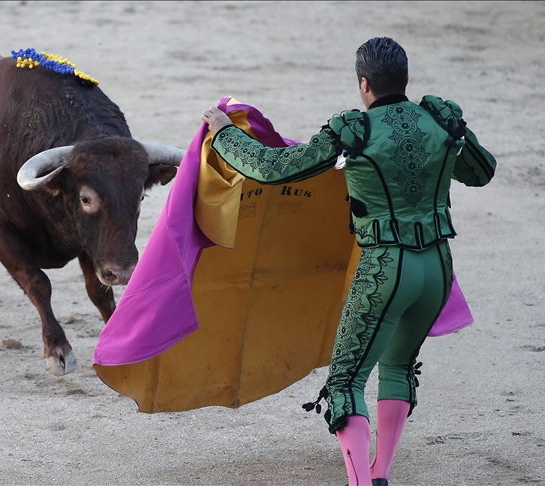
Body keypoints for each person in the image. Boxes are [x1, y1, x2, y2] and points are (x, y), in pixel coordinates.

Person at [201, 37, 495, 486]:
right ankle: (380, 474)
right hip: (436, 267)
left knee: (345, 383)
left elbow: (270, 168)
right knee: (398, 367)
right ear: (404, 78)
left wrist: (223, 132)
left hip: (384, 271)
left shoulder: (353, 132)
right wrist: (454, 139)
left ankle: (363, 483)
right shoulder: (439, 120)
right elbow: (482, 172)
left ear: (364, 84)